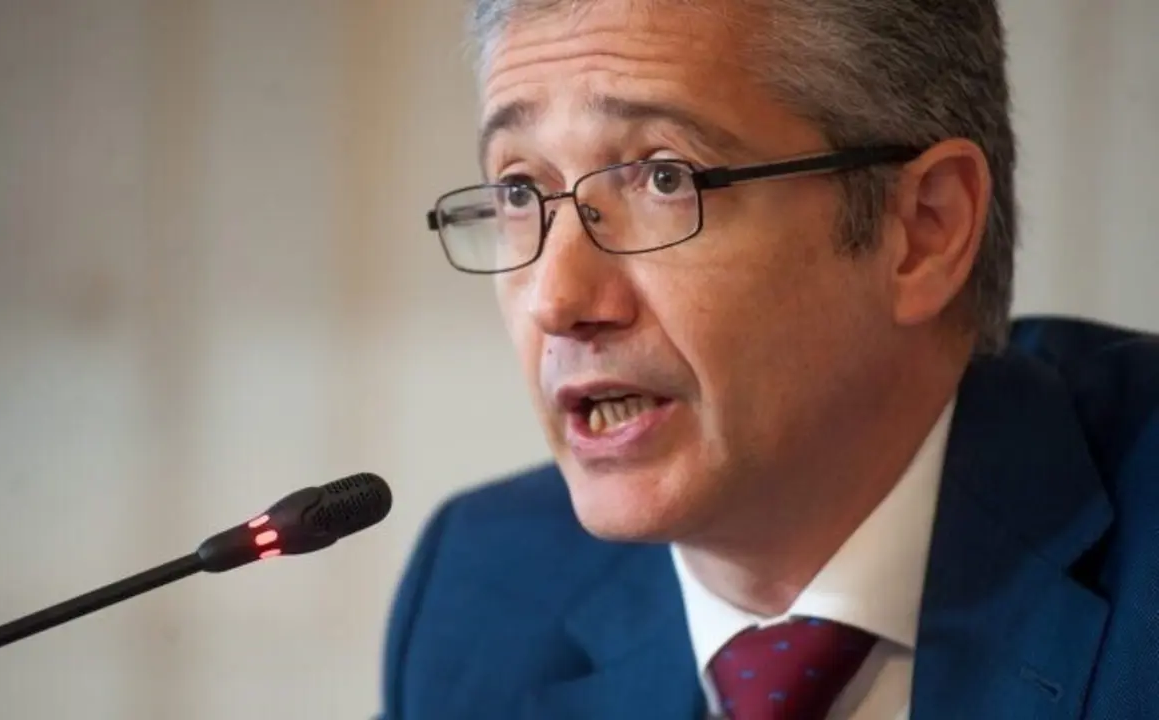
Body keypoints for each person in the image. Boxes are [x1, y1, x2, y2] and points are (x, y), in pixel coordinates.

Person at [380, 0, 1159, 718]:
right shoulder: (482, 597)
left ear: (924, 229)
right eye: (520, 191)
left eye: (665, 178)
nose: (557, 301)